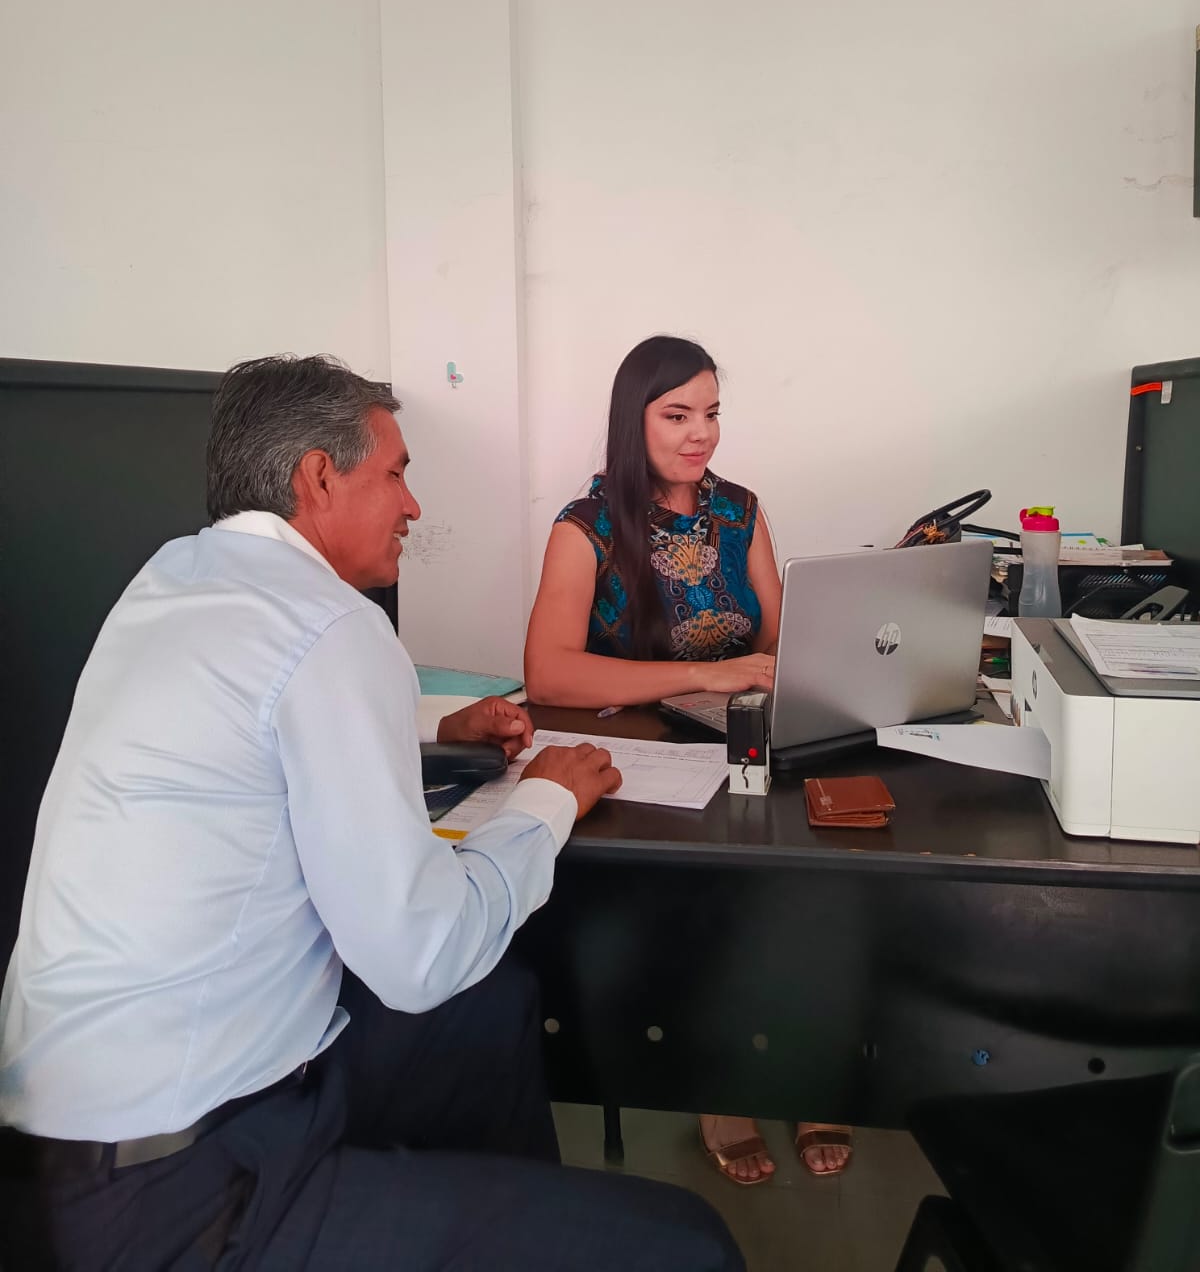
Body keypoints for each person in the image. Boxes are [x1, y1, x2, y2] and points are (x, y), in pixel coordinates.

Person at [0, 354, 743, 1272]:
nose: (413, 505)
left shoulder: (174, 577)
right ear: (319, 477)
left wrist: (437, 722)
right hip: (188, 1191)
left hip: (66, 1142)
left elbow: (259, 714)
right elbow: (421, 953)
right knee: (692, 1247)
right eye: (395, 473)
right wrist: (549, 800)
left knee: (488, 1008)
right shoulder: (335, 623)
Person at [524, 334, 853, 1187]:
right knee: (712, 903)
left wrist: (796, 663)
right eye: (676, 415)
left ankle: (809, 1069)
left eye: (710, 413)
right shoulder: (586, 527)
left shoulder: (740, 510)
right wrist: (708, 672)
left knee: (819, 886)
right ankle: (720, 1083)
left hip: (739, 736)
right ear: (631, 422)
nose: (700, 432)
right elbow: (548, 672)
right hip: (642, 759)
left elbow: (778, 635)